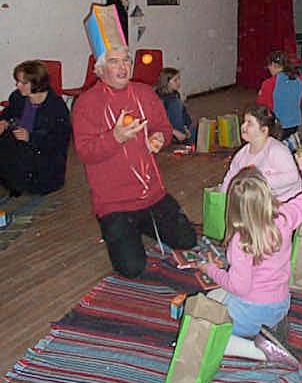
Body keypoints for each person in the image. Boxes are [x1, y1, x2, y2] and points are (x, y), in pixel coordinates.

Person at [72, 45, 196, 278]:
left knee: (187, 240)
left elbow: (164, 128)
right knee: (131, 268)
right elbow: (85, 152)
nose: (123, 67)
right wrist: (116, 137)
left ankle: (141, 224)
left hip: (152, 195)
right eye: (114, 61)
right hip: (114, 202)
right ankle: (122, 227)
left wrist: (160, 137)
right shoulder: (86, 104)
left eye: (126, 60)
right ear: (99, 70)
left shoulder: (145, 93)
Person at [199, 154, 302, 368]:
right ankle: (271, 330)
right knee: (213, 296)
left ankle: (263, 352)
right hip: (281, 304)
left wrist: (211, 270)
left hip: (251, 311)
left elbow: (240, 287)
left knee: (206, 329)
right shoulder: (284, 217)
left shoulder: (240, 241)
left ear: (234, 206)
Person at [0, 60, 71, 196]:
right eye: (18, 81)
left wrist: (30, 137)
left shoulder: (55, 106)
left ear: (37, 84)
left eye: (23, 83)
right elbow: (8, 113)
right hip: (21, 142)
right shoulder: (17, 97)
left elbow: (60, 139)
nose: (18, 85)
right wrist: (3, 122)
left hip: (43, 153)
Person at [220, 105, 301, 202]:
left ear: (264, 130)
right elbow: (231, 175)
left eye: (249, 123)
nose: (243, 126)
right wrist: (223, 196)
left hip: (287, 200)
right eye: (244, 122)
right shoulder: (241, 154)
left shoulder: (276, 150)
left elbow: (292, 177)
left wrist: (260, 181)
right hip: (263, 201)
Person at [257, 50, 302, 144]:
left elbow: (261, 106)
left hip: (277, 126)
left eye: (269, 66)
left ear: (273, 64)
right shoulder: (298, 79)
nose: (268, 69)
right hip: (294, 123)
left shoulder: (268, 83)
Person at [155, 67, 195, 144]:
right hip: (167, 132)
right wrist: (175, 132)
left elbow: (183, 114)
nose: (179, 82)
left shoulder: (175, 94)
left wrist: (186, 127)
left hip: (179, 129)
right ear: (166, 82)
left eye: (179, 79)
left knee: (199, 130)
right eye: (175, 80)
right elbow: (157, 121)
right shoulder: (158, 98)